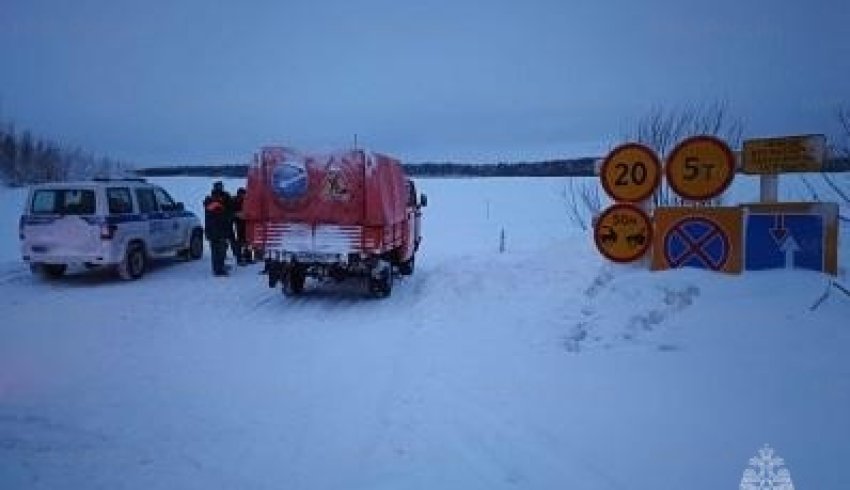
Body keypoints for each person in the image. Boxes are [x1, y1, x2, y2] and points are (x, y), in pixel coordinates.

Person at [203, 182, 231, 276]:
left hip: (217, 229)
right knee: (218, 250)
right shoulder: (213, 203)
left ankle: (220, 266)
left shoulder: (216, 200)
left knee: (221, 249)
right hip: (216, 230)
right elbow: (221, 216)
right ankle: (218, 270)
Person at [233, 187, 249, 265]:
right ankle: (239, 258)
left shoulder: (245, 201)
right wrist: (239, 215)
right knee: (240, 242)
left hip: (245, 224)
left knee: (246, 242)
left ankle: (246, 257)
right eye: (243, 194)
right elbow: (233, 212)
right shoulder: (235, 201)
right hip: (239, 224)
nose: (243, 196)